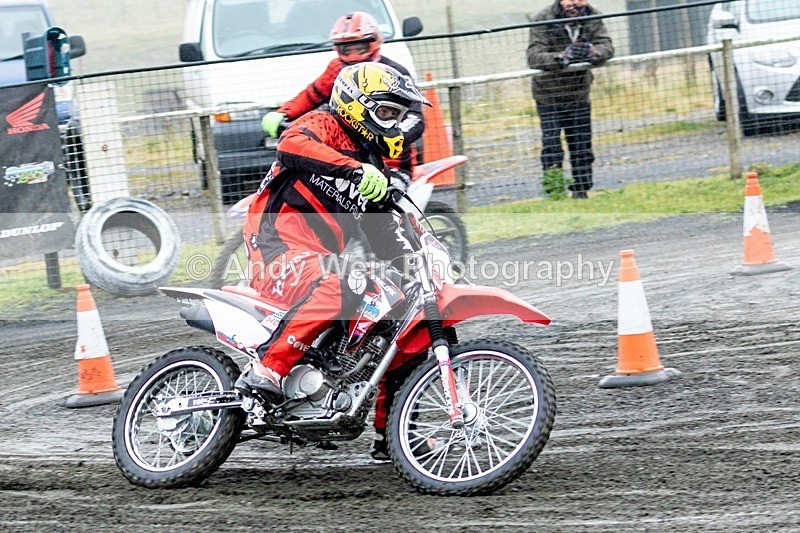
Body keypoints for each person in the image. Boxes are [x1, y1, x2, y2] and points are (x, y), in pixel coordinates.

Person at [239, 62, 432, 462]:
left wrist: (415, 267)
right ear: (357, 105)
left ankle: (396, 433)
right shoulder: (324, 123)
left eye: (398, 116)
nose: (393, 125)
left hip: (319, 259)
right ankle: (269, 370)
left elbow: (380, 233)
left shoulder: (374, 166)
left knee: (397, 314)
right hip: (276, 247)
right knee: (341, 281)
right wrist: (353, 168)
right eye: (387, 113)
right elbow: (291, 146)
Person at [261, 11, 425, 175]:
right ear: (337, 48)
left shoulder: (395, 75)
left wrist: (394, 135)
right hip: (347, 155)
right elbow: (312, 95)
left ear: (374, 43)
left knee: (387, 196)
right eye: (347, 49)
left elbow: (415, 118)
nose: (353, 55)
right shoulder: (336, 70)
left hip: (391, 162)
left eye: (360, 47)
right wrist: (283, 113)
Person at [526, 0, 613, 199]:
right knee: (552, 145)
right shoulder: (543, 19)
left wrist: (594, 52)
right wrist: (561, 57)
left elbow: (606, 45)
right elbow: (534, 56)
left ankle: (581, 190)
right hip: (548, 95)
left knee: (581, 143)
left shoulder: (592, 15)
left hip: (579, 92)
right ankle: (554, 191)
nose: (573, 3)